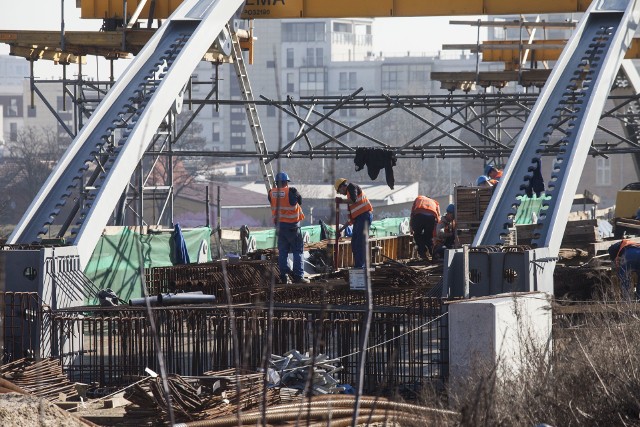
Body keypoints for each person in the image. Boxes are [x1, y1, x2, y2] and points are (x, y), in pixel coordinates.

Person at [268, 172, 310, 284]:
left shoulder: (271, 193)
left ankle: (284, 276)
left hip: (280, 227)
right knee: (298, 251)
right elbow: (299, 201)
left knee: (283, 252)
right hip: (293, 227)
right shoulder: (291, 191)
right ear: (286, 182)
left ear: (276, 183)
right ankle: (298, 276)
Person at [334, 178, 373, 269]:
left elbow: (354, 199)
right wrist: (340, 230)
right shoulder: (349, 201)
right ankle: (358, 265)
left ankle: (360, 266)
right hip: (360, 219)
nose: (340, 193)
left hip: (364, 216)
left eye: (339, 191)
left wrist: (341, 201)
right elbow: (350, 221)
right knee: (354, 242)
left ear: (342, 186)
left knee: (359, 242)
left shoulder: (351, 187)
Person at [410, 195, 441, 260]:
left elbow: (412, 213)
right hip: (431, 218)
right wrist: (435, 233)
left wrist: (411, 227)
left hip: (419, 216)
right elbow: (438, 218)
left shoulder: (419, 198)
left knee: (417, 235)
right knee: (429, 237)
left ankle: (422, 253)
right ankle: (433, 254)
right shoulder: (435, 202)